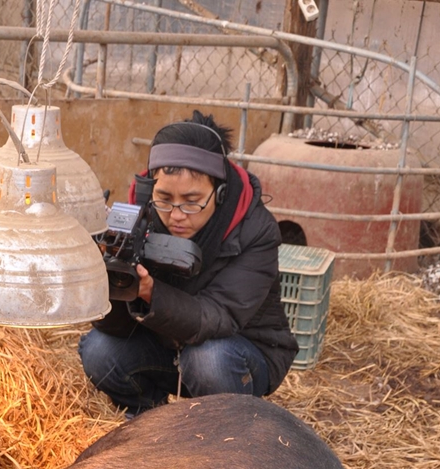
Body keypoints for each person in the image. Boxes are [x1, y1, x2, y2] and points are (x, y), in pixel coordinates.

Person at [79, 110, 298, 416]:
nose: (177, 214)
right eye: (164, 198)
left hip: (240, 351)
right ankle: (149, 425)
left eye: (192, 201)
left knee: (208, 359)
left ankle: (221, 431)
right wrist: (110, 281)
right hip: (167, 344)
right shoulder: (140, 216)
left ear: (219, 193)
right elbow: (112, 327)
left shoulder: (255, 230)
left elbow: (218, 316)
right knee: (99, 349)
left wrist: (150, 294)